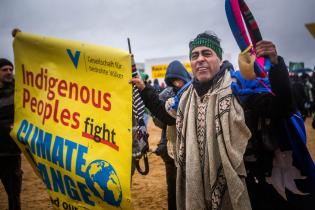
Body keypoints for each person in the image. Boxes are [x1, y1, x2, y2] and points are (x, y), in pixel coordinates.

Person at [131, 32, 313, 210]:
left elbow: (282, 108)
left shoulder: (239, 88)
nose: (200, 59)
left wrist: (276, 64)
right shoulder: (185, 96)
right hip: (200, 186)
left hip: (248, 187)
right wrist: (144, 89)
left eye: (207, 53)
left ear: (219, 59)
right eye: (195, 55)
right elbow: (165, 115)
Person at [153, 60, 191, 210]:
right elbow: (158, 120)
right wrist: (171, 119)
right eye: (174, 80)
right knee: (174, 187)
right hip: (169, 147)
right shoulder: (164, 95)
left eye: (179, 79)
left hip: (189, 146)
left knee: (190, 187)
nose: (177, 83)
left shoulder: (191, 91)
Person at [0, 58, 22, 210]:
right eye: (4, 70)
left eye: (10, 69)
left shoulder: (18, 90)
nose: (9, 72)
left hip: (12, 153)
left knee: (14, 194)